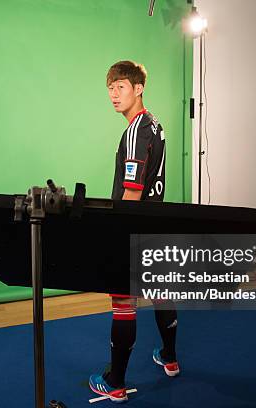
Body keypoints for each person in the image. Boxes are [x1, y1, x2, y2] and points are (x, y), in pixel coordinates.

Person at [88, 61, 179, 403]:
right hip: (157, 227)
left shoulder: (135, 132)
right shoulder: (156, 125)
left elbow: (132, 192)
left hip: (133, 228)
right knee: (162, 293)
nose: (113, 94)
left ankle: (116, 383)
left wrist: (115, 238)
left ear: (138, 88)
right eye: (110, 88)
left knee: (123, 303)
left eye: (121, 86)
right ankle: (169, 359)